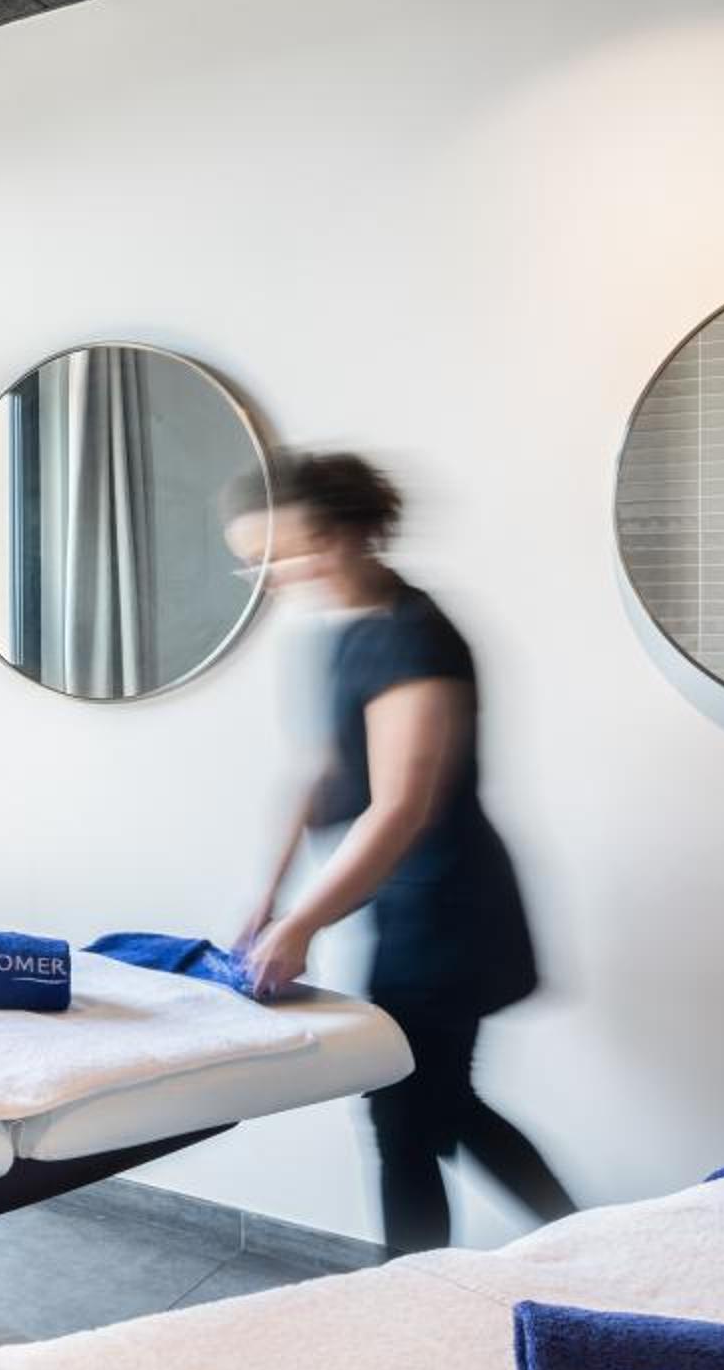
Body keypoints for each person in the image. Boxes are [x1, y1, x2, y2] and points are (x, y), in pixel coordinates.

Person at [229, 450, 574, 1253]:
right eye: (255, 563)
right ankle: (587, 1249)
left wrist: (303, 923)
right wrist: (272, 894)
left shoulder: (416, 638)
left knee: (407, 1108)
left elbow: (402, 807)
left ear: (346, 535)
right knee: (428, 1105)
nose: (272, 577)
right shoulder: (352, 632)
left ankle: (542, 1259)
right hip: (410, 903)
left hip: (453, 910)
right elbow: (322, 774)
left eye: (284, 553)